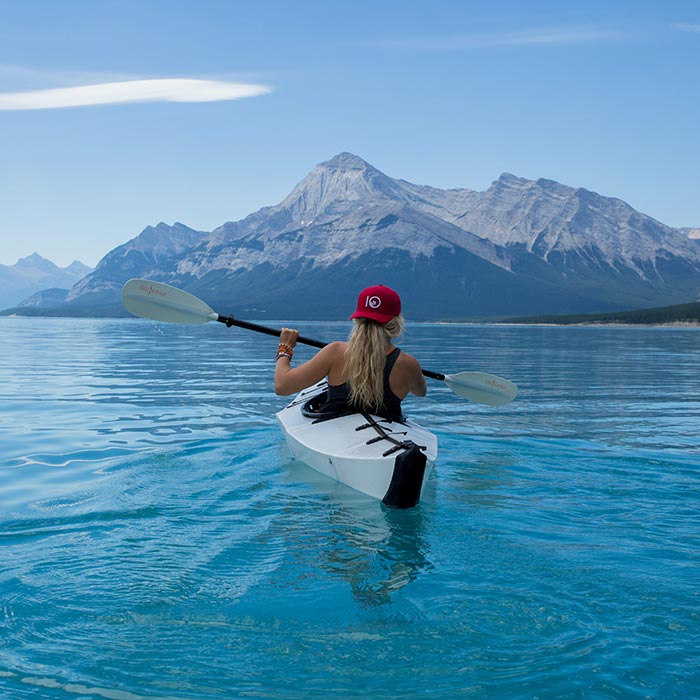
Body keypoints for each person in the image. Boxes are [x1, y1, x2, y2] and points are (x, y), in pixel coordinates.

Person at [274, 284, 426, 420]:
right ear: (396, 322)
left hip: (334, 432)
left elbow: (282, 386)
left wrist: (285, 348)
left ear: (357, 319)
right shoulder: (408, 364)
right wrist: (413, 373)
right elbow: (420, 392)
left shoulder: (335, 352)